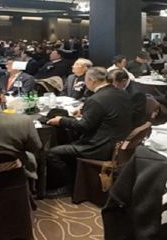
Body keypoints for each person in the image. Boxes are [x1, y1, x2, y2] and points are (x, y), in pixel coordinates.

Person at [45, 67, 132, 195]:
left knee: (53, 153)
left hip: (100, 147)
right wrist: (84, 111)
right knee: (71, 142)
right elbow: (107, 112)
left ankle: (69, 186)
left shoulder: (96, 99)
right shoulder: (121, 93)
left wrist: (61, 120)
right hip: (119, 143)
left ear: (91, 80)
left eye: (86, 80)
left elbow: (84, 126)